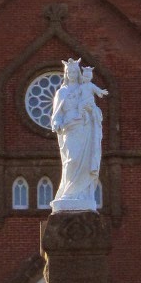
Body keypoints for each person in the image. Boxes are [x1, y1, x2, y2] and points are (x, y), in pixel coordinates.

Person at [49, 59, 106, 211]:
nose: (72, 74)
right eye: (70, 72)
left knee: (84, 159)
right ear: (66, 74)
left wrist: (91, 111)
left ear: (78, 73)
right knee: (71, 159)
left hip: (83, 126)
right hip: (69, 127)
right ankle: (69, 191)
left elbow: (93, 106)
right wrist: (56, 123)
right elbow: (56, 114)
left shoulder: (84, 88)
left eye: (75, 71)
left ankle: (82, 193)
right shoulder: (62, 92)